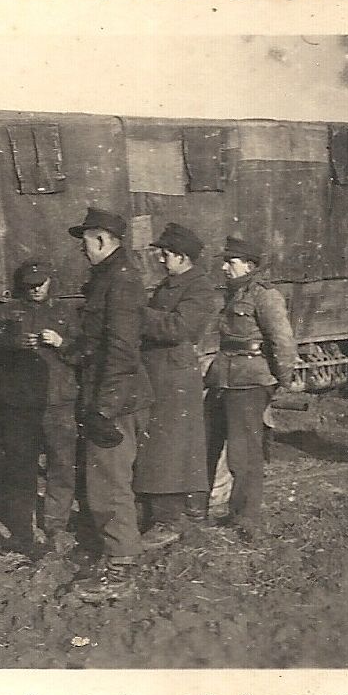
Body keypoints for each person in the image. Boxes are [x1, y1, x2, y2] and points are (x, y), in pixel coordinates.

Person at [63, 208, 154, 603]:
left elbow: (122, 351)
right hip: (108, 393)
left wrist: (105, 409)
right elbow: (96, 343)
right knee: (105, 483)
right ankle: (115, 552)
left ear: (101, 240)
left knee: (109, 486)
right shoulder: (107, 279)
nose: (82, 249)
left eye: (85, 240)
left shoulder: (120, 281)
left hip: (116, 399)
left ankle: (121, 569)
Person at [204, 236, 299, 541]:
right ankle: (207, 512)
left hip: (250, 381)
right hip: (223, 378)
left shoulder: (264, 296)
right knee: (208, 443)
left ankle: (246, 519)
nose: (223, 267)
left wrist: (281, 383)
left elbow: (283, 342)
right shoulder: (232, 294)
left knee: (244, 455)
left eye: (230, 262)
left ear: (249, 265)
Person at [0, 261, 79, 559]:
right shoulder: (8, 312)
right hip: (20, 405)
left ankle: (55, 527)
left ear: (52, 281)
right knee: (20, 468)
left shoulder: (66, 313)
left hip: (58, 403)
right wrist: (14, 343)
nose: (36, 289)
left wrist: (61, 342)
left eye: (41, 283)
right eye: (30, 284)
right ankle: (22, 532)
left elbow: (84, 352)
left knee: (61, 465)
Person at [133, 223, 219, 548]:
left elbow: (179, 327)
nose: (161, 260)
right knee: (154, 446)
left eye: (166, 254)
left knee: (169, 449)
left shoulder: (199, 288)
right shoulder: (170, 285)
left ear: (182, 257)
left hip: (174, 378)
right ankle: (153, 513)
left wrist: (138, 315)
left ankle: (167, 520)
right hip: (157, 374)